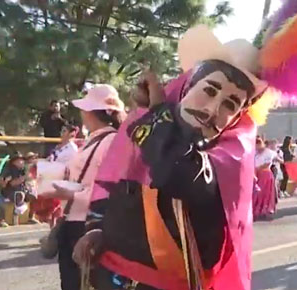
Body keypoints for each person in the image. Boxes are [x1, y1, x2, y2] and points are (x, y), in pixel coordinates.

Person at [72, 25, 269, 290]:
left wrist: (157, 111)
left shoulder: (226, 159)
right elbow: (118, 179)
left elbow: (175, 172)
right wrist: (96, 229)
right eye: (209, 91)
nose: (211, 109)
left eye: (230, 104)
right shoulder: (155, 128)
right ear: (187, 87)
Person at [43, 84, 124, 290]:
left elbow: (112, 189)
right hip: (75, 221)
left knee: (83, 282)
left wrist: (73, 193)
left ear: (91, 112)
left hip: (87, 225)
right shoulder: (93, 140)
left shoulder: (111, 141)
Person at [34, 125, 79, 227]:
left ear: (71, 133)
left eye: (64, 131)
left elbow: (71, 165)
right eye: (62, 131)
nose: (62, 133)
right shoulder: (60, 146)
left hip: (65, 178)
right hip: (54, 176)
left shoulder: (72, 148)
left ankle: (58, 232)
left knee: (60, 207)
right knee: (52, 206)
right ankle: (53, 230)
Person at [0, 154, 30, 224]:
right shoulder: (9, 169)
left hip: (21, 190)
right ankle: (14, 214)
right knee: (18, 195)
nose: (22, 162)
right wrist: (25, 177)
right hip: (9, 191)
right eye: (20, 160)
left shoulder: (22, 170)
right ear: (14, 161)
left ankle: (26, 215)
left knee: (31, 194)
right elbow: (12, 183)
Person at [254, 137, 278, 220]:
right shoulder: (254, 153)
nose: (257, 146)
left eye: (259, 144)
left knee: (266, 194)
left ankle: (266, 210)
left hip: (266, 174)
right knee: (257, 194)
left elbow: (267, 163)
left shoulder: (269, 152)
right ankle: (257, 210)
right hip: (256, 175)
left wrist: (258, 168)